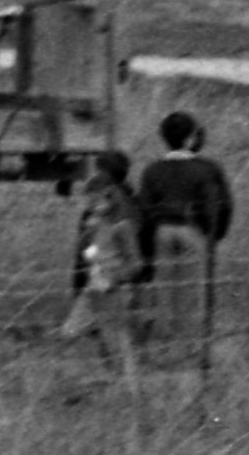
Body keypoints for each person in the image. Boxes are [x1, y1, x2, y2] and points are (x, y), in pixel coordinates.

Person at [134, 109, 233, 339]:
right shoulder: (208, 168)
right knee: (191, 291)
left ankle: (164, 343)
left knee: (164, 290)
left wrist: (147, 243)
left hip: (162, 231)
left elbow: (145, 210)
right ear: (191, 138)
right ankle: (190, 345)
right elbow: (224, 205)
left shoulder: (153, 170)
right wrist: (214, 235)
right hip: (194, 230)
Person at [57, 154, 144, 381]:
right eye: (89, 203)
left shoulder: (122, 225)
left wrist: (114, 279)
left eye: (94, 202)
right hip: (94, 286)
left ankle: (125, 387)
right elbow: (90, 253)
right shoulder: (97, 224)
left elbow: (136, 263)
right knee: (72, 332)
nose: (90, 207)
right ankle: (101, 378)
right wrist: (89, 245)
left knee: (117, 341)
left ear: (108, 198)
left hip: (113, 289)